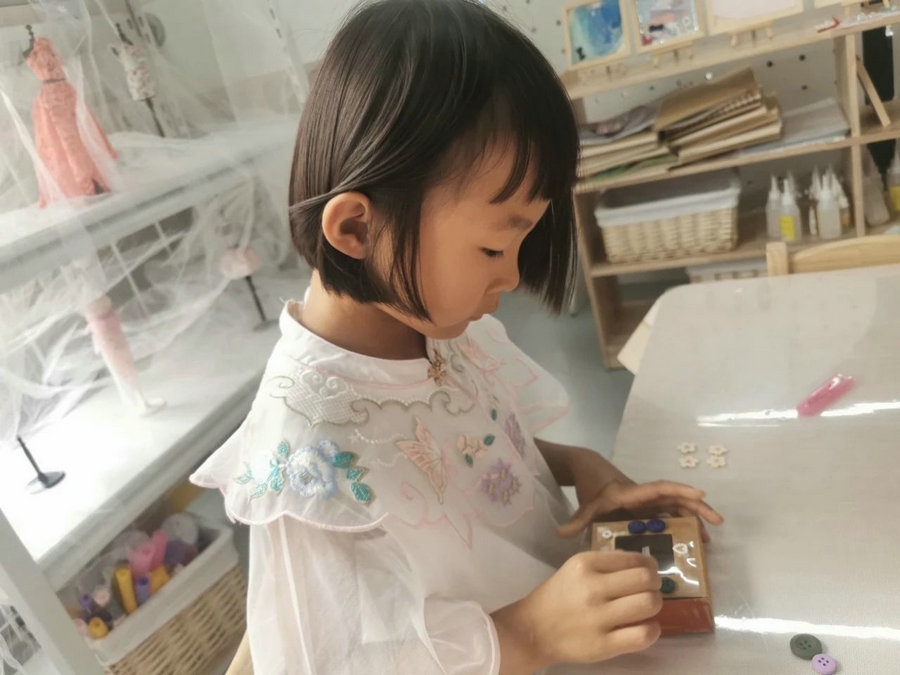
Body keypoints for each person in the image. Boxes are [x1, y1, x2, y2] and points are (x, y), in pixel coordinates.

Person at [191, 1, 723, 672]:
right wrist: (529, 634)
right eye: (494, 248)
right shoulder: (309, 459)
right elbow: (340, 660)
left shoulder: (426, 325)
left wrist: (579, 465)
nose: (514, 277)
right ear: (357, 229)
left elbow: (461, 445)